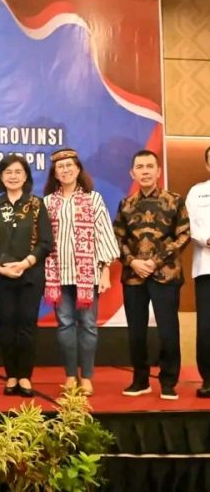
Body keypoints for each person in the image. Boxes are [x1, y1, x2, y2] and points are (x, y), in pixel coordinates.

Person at [113, 149, 189, 400]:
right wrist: (133, 261)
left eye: (149, 166)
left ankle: (168, 381)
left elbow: (183, 235)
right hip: (133, 275)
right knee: (136, 332)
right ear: (132, 173)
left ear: (158, 171)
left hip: (165, 274)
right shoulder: (126, 204)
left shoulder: (174, 200)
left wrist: (155, 261)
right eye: (140, 167)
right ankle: (140, 380)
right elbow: (117, 238)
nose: (144, 171)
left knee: (168, 331)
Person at [42, 148, 119, 396]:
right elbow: (42, 240)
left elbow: (104, 235)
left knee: (88, 324)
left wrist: (105, 272)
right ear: (55, 173)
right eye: (60, 167)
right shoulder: (47, 202)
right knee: (65, 324)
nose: (65, 170)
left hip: (87, 274)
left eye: (69, 166)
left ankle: (86, 377)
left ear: (78, 169)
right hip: (57, 273)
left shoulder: (93, 199)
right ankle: (69, 376)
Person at [0, 155, 53, 397]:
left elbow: (45, 242)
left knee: (27, 325)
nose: (13, 176)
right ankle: (11, 375)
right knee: (7, 325)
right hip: (2, 275)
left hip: (31, 274)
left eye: (18, 172)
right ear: (1, 177)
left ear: (26, 177)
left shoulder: (36, 204)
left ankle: (24, 376)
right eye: (8, 172)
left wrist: (26, 262)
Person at [186, 146, 210, 398]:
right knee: (206, 327)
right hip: (206, 268)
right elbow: (189, 224)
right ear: (207, 165)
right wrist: (207, 239)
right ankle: (208, 379)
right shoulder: (197, 192)